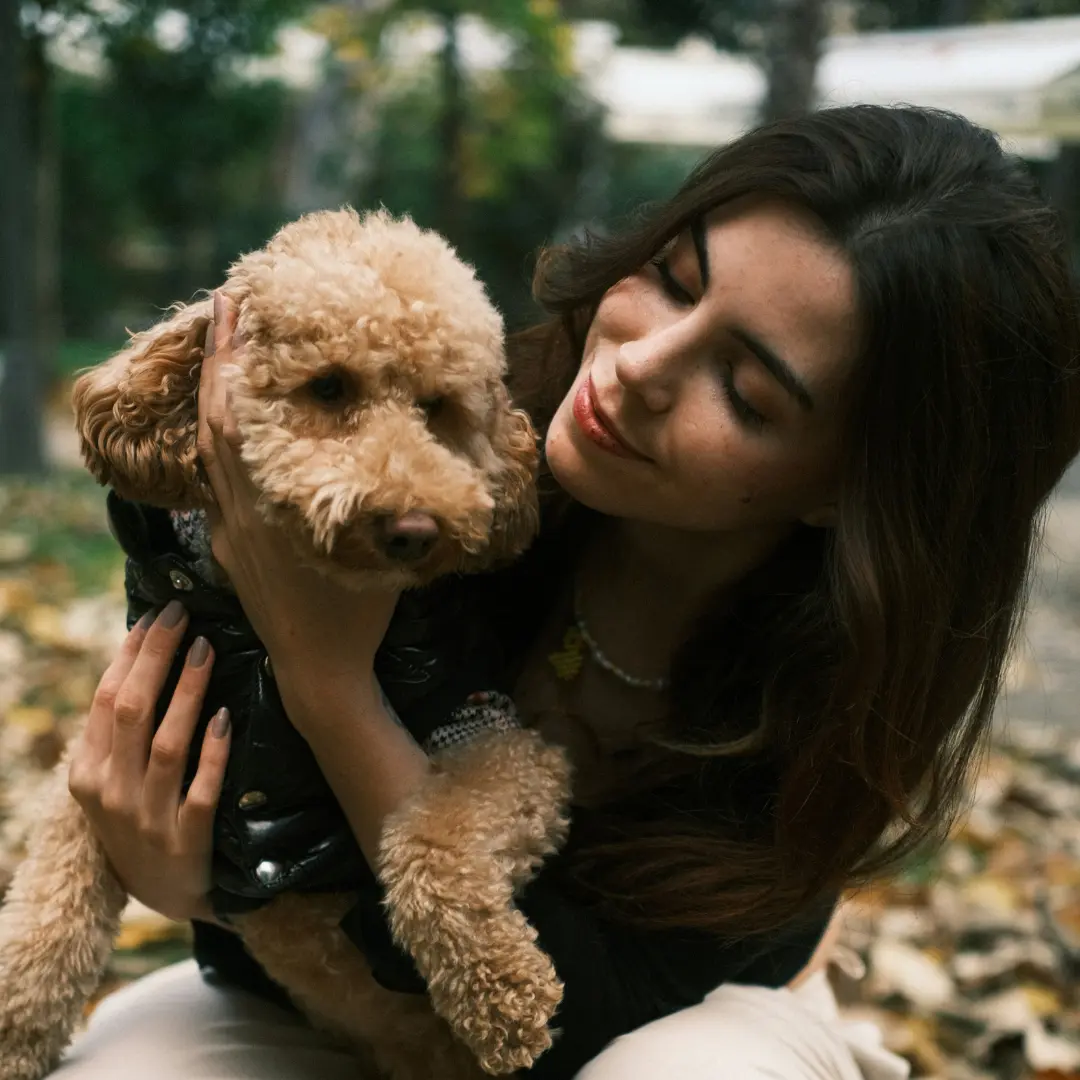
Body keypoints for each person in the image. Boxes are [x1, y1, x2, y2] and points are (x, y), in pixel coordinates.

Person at [56, 104, 1080, 1079]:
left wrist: (328, 683)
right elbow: (264, 883)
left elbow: (573, 1026)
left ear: (849, 492)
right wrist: (199, 875)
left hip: (671, 1027)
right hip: (338, 984)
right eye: (676, 280)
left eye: (748, 389)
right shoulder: (442, 454)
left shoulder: (835, 696)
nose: (640, 364)